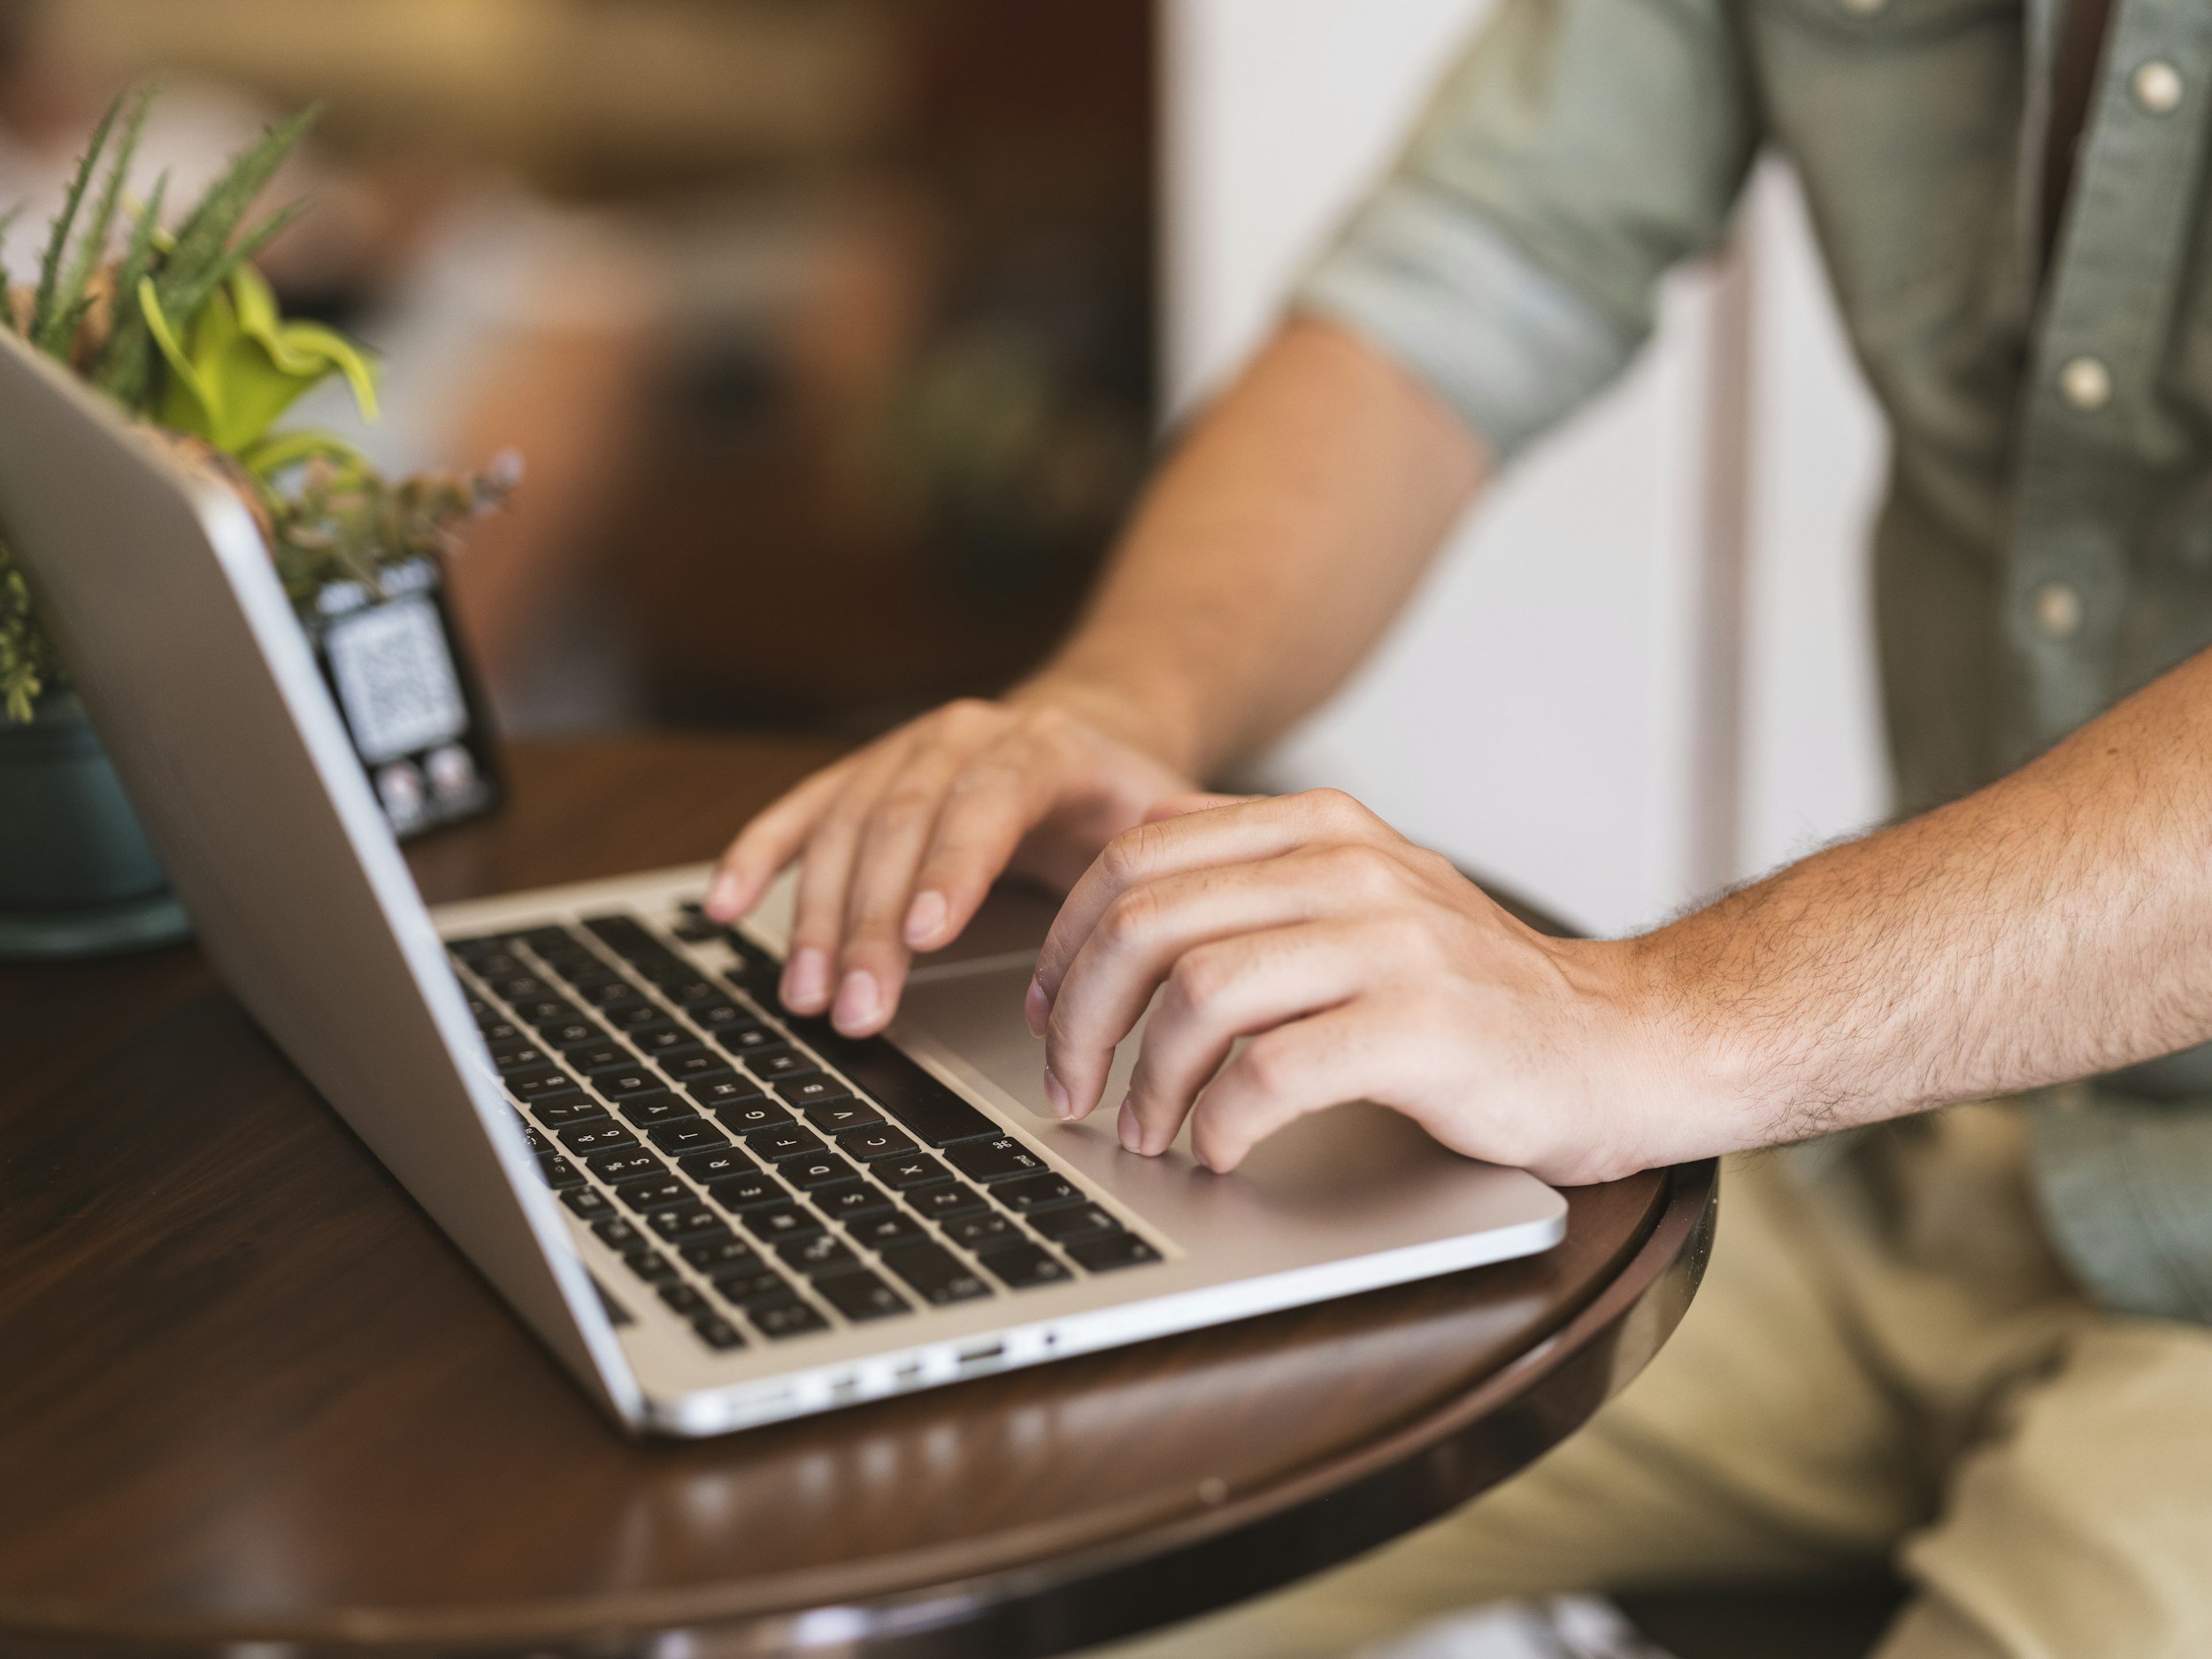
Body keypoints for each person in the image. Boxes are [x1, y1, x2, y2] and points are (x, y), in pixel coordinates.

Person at [706, 0, 2212, 1651]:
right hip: (1924, 1149)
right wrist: (1124, 701)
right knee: (950, 1553)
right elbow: (1468, 273)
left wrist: (1645, 1015)